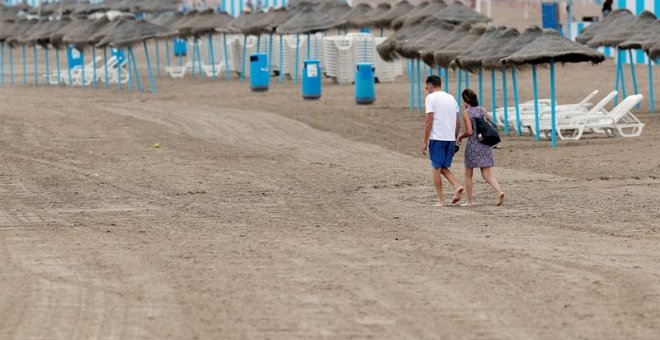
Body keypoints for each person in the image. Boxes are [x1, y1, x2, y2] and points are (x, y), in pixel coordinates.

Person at [456, 89, 505, 207]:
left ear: (465, 101)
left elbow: (469, 131)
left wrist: (461, 137)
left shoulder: (466, 112)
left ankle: (469, 201)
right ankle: (499, 191)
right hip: (485, 143)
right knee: (487, 174)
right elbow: (491, 121)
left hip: (473, 145)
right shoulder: (482, 109)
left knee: (468, 174)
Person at [421, 75, 464, 207]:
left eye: (426, 87)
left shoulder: (430, 98)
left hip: (437, 137)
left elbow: (429, 121)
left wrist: (425, 141)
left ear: (430, 85)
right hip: (450, 138)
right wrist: (455, 138)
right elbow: (457, 122)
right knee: (443, 167)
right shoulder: (451, 98)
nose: (427, 89)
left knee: (436, 168)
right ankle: (457, 186)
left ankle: (441, 201)